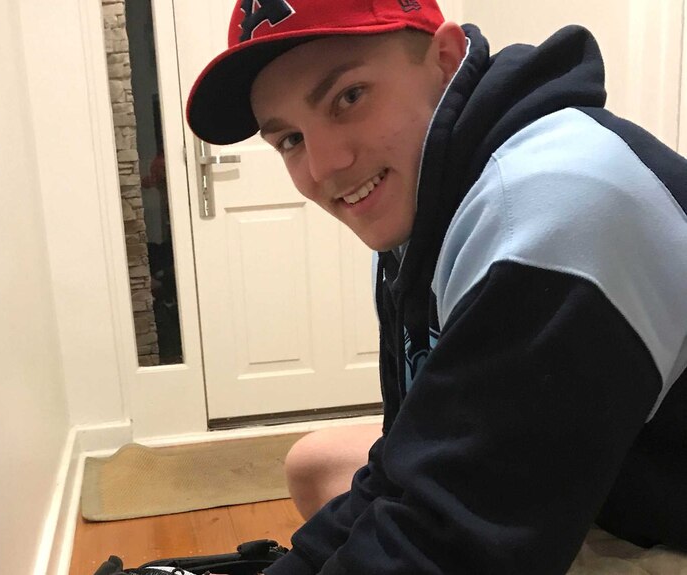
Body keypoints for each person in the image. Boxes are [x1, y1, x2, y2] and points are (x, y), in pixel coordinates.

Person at [186, 0, 687, 573]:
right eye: (291, 140)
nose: (326, 166)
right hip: (619, 477)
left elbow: (448, 546)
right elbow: (407, 461)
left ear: (445, 60)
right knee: (317, 464)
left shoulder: (556, 210)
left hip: (660, 518)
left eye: (349, 97)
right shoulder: (421, 216)